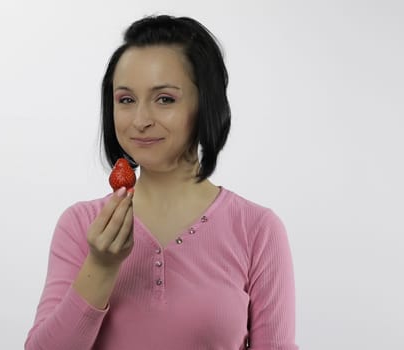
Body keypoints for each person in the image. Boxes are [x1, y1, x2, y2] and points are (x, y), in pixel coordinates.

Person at [25, 15, 298, 350]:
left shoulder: (258, 229)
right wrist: (101, 265)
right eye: (126, 100)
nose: (140, 120)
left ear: (206, 104)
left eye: (165, 99)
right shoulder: (80, 225)